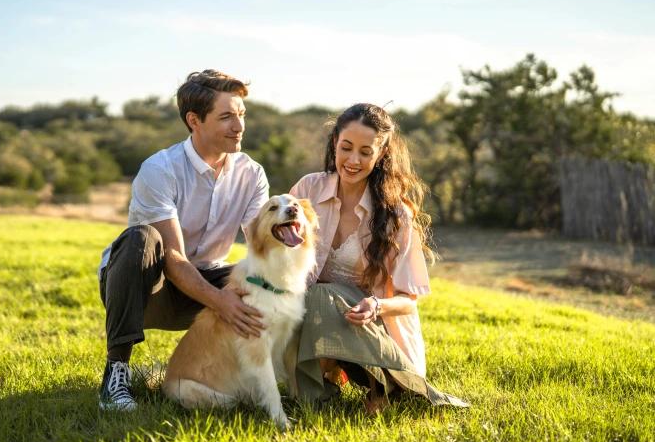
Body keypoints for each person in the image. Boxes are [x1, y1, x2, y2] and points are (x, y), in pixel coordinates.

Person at [97, 70, 269, 411]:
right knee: (139, 239)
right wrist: (222, 302)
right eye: (226, 117)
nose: (239, 126)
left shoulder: (251, 174)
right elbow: (173, 257)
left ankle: (242, 378)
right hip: (147, 288)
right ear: (195, 121)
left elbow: (262, 249)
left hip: (208, 278)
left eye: (241, 115)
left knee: (263, 278)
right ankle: (116, 373)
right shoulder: (160, 169)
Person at [290, 103, 467, 413]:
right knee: (312, 296)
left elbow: (408, 301)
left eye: (365, 152)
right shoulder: (308, 189)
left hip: (375, 329)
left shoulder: (395, 213)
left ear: (382, 153)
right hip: (317, 322)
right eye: (346, 148)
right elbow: (284, 258)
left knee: (322, 294)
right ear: (335, 143)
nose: (352, 160)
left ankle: (380, 384)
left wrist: (376, 305)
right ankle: (322, 381)